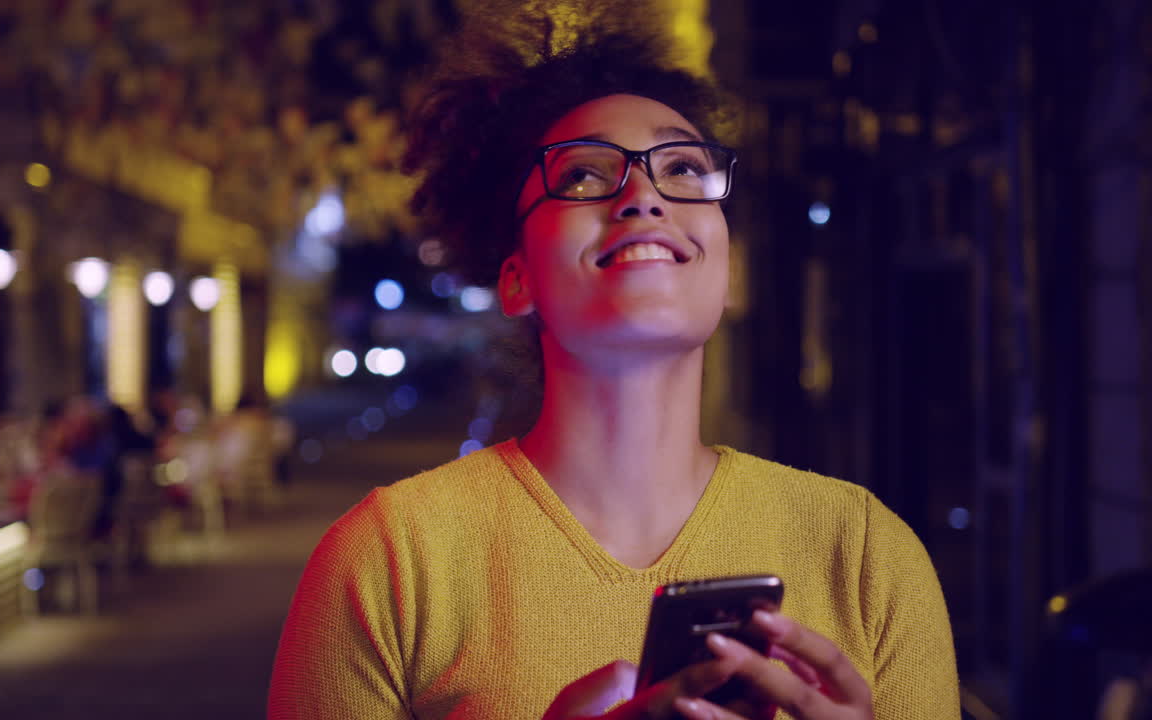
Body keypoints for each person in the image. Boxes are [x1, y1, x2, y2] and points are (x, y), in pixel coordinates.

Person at [268, 33, 959, 720]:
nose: (642, 196)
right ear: (517, 279)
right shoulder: (391, 558)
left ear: (733, 273)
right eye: (581, 175)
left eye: (683, 167)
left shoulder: (866, 553)